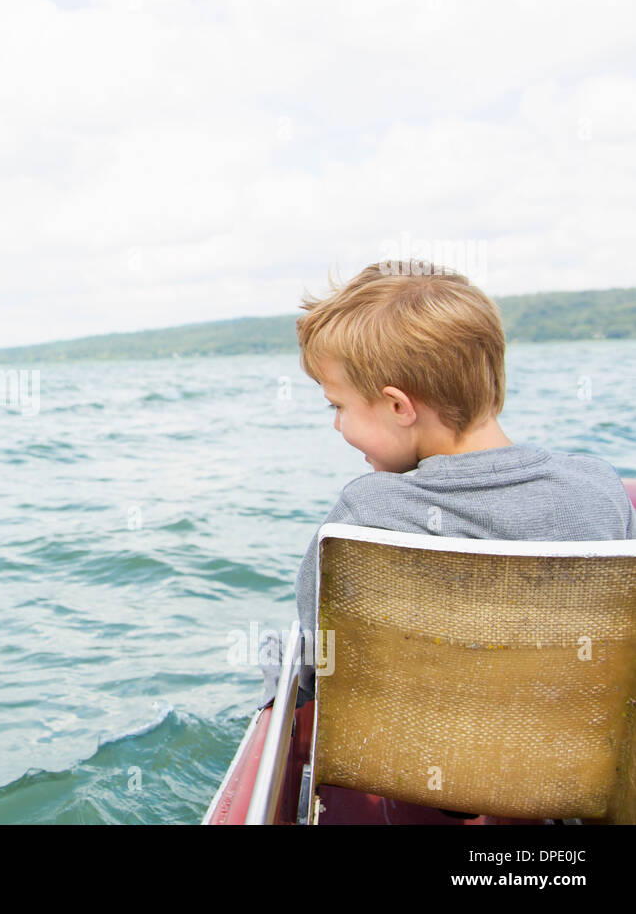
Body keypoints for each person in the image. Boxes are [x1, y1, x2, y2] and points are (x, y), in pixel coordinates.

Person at [259, 259, 636, 709]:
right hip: (575, 760)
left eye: (336, 406)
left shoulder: (366, 516)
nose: (338, 426)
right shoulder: (599, 488)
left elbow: (322, 666)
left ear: (398, 406)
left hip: (407, 765)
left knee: (284, 653)